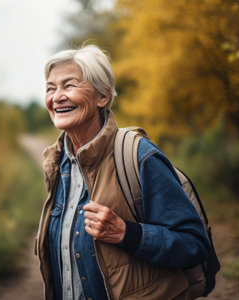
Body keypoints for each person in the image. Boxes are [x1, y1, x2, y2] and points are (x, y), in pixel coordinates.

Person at [35, 44, 211, 300]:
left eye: (69, 85)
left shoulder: (138, 156)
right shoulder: (58, 164)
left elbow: (194, 244)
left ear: (102, 96)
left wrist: (127, 233)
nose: (57, 96)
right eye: (51, 88)